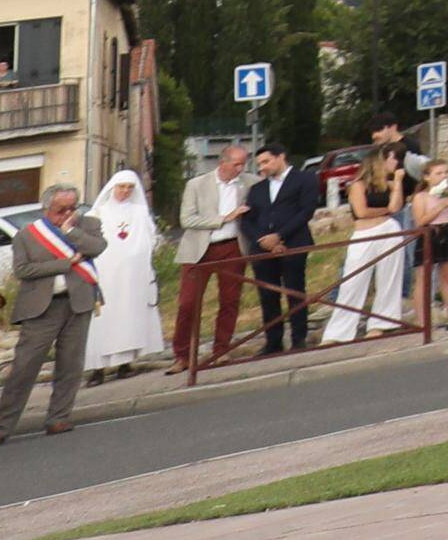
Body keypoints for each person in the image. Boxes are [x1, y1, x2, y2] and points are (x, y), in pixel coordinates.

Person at [0, 182, 101, 441]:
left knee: (71, 365)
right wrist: (65, 264)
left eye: (71, 208)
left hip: (78, 301)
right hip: (41, 307)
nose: (67, 213)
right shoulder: (27, 234)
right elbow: (23, 270)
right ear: (47, 208)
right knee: (24, 368)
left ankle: (59, 418)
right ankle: (1, 428)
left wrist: (70, 231)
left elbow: (97, 248)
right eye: (60, 209)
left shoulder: (87, 225)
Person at [319, 135, 416, 342]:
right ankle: (338, 332)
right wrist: (384, 210)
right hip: (365, 232)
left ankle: (383, 323)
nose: (395, 163)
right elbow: (361, 211)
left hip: (389, 230)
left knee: (389, 278)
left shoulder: (389, 184)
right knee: (353, 282)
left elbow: (396, 207)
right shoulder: (358, 184)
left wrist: (398, 183)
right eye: (391, 159)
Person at [173, 145, 251, 371]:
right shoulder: (197, 185)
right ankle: (182, 355)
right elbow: (187, 219)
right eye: (236, 164)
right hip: (199, 249)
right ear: (222, 162)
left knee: (229, 299)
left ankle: (221, 350)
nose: (240, 168)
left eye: (243, 163)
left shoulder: (249, 182)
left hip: (233, 247)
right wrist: (224, 218)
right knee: (188, 303)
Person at [82, 171, 168, 377]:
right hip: (106, 277)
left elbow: (152, 237)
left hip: (132, 277)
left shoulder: (139, 212)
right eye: (121, 187)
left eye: (130, 187)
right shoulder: (97, 213)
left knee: (129, 318)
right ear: (112, 188)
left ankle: (124, 364)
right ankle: (98, 369)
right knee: (103, 320)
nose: (125, 191)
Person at [240, 146, 317, 358]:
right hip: (263, 248)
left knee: (295, 290)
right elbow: (247, 219)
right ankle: (273, 341)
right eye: (260, 164)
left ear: (281, 157)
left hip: (294, 242)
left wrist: (281, 236)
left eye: (266, 162)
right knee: (267, 295)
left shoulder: (304, 179)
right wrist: (262, 240)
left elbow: (306, 210)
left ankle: (298, 338)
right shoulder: (257, 189)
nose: (262, 168)